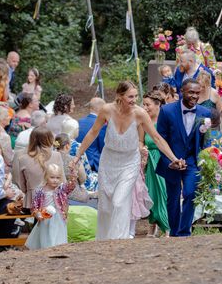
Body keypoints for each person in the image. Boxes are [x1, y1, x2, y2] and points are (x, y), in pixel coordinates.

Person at [72, 81, 184, 240]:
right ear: (119, 96)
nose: (135, 100)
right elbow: (92, 132)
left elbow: (157, 138)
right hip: (109, 161)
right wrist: (77, 156)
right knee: (105, 207)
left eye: (136, 96)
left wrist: (174, 158)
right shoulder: (107, 110)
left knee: (119, 202)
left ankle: (118, 239)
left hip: (129, 163)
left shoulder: (140, 114)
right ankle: (104, 239)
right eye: (131, 96)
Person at [154, 79, 212, 237]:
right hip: (171, 161)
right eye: (191, 92)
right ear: (181, 92)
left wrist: (206, 161)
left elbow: (206, 141)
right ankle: (174, 232)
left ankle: (184, 231)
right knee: (172, 198)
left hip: (192, 161)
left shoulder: (205, 113)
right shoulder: (166, 111)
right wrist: (169, 161)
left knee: (190, 193)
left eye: (197, 93)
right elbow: (160, 139)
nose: (194, 96)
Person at [25, 163, 77, 250]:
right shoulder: (40, 190)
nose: (55, 180)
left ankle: (59, 248)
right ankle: (47, 249)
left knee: (58, 234)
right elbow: (34, 206)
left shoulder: (62, 189)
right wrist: (37, 214)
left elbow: (71, 185)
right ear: (46, 177)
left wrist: (73, 173)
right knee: (46, 235)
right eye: (52, 177)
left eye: (58, 178)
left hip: (59, 217)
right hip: (46, 217)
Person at [13, 126, 65, 210]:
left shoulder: (22, 159)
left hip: (31, 201)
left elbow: (22, 185)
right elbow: (62, 180)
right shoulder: (57, 155)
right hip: (53, 200)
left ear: (32, 139)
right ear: (50, 139)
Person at [142, 91, 169, 237]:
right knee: (151, 194)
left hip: (163, 159)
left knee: (163, 193)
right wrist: (142, 149)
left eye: (148, 104)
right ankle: (152, 224)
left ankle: (167, 226)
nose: (145, 107)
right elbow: (141, 140)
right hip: (150, 161)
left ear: (158, 105)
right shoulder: (143, 121)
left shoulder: (165, 121)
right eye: (144, 104)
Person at [64, 118, 98, 192]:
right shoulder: (78, 146)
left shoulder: (56, 144)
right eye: (78, 128)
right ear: (74, 130)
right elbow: (86, 168)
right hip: (79, 180)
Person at [54, 133, 90, 202]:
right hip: (73, 195)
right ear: (67, 146)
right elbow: (83, 179)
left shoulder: (50, 158)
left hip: (54, 193)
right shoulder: (73, 160)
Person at [77, 97, 106, 172]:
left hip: (79, 161)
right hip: (94, 162)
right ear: (101, 109)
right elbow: (103, 148)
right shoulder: (101, 124)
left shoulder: (79, 122)